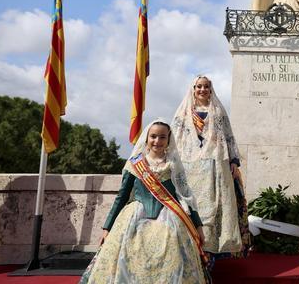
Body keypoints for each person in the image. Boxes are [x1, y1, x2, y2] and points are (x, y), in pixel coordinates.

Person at [80, 119, 208, 284]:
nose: (157, 141)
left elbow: (186, 195)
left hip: (170, 219)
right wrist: (107, 227)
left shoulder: (174, 164)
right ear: (146, 138)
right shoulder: (135, 163)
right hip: (135, 218)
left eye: (162, 137)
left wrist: (198, 225)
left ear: (168, 139)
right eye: (153, 136)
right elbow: (122, 196)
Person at [171, 76, 250, 259]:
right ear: (193, 89)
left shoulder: (218, 111)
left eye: (206, 86)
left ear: (210, 89)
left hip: (216, 165)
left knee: (215, 208)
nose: (202, 90)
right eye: (199, 86)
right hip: (189, 166)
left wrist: (233, 161)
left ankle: (210, 252)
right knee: (192, 205)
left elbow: (228, 136)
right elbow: (173, 138)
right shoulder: (183, 112)